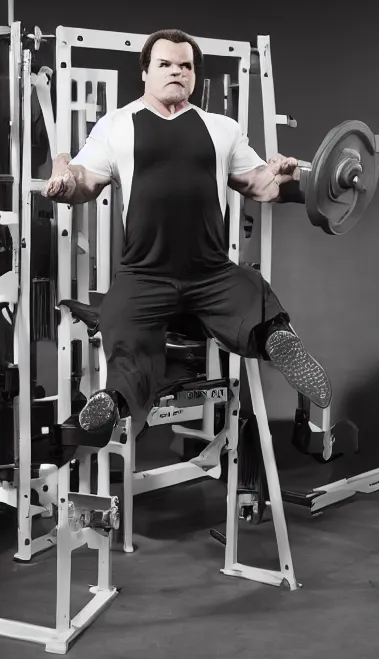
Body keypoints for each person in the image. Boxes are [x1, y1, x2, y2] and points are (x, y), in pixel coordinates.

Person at [44, 28, 331, 438]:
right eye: (165, 64)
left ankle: (281, 341)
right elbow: (83, 180)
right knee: (121, 320)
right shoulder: (116, 125)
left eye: (186, 66)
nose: (176, 71)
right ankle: (112, 400)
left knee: (252, 289)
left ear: (195, 75)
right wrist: (64, 181)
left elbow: (260, 185)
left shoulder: (223, 128)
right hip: (144, 273)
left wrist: (283, 174)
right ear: (145, 72)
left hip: (210, 271)